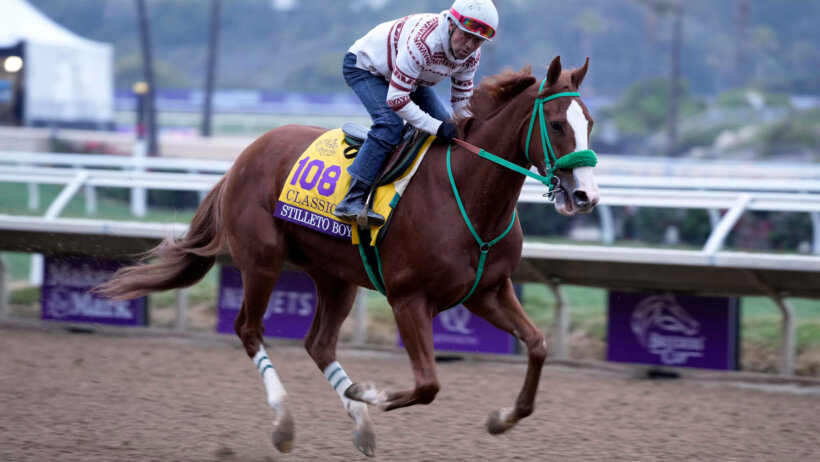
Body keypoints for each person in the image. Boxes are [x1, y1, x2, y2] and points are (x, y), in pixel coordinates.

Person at [334, 0, 499, 226]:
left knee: (450, 127)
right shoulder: (425, 42)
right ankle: (353, 198)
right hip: (366, 69)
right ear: (451, 25)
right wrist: (437, 128)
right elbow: (396, 99)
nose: (470, 45)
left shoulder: (472, 56)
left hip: (412, 79)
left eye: (478, 40)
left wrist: (469, 129)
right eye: (466, 35)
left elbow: (461, 101)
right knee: (390, 125)